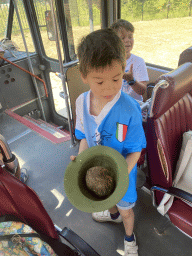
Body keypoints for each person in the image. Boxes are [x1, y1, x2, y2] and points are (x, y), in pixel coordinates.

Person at [70, 28, 146, 256]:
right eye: (99, 81)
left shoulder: (130, 109)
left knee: (126, 211)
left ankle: (129, 237)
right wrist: (81, 161)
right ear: (84, 76)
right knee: (105, 199)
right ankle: (111, 214)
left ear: (124, 69)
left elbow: (135, 151)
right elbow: (83, 137)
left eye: (116, 78)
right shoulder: (81, 102)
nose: (110, 88)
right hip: (97, 171)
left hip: (123, 173)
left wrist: (121, 173)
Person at [111, 19, 149, 102]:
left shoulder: (138, 62)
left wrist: (131, 80)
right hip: (115, 104)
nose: (127, 40)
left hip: (134, 106)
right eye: (122, 38)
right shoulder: (109, 62)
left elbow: (142, 91)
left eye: (130, 37)